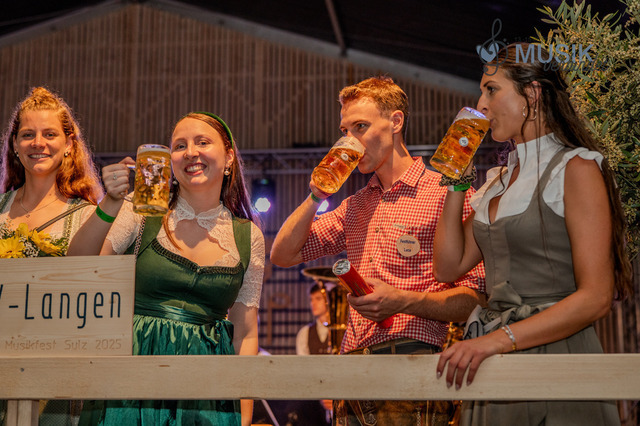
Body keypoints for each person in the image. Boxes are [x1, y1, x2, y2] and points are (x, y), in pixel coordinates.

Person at [433, 42, 633, 425]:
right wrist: (456, 182)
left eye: (492, 90)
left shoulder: (577, 168)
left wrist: (496, 340)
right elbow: (447, 267)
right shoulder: (496, 182)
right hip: (494, 363)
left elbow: (596, 298)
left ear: (533, 94)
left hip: (558, 357)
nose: (481, 104)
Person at [270, 76, 486, 425]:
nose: (349, 140)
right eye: (344, 130)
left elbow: (476, 299)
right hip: (351, 367)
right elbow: (282, 255)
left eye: (360, 127)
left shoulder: (446, 193)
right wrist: (316, 195)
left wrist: (404, 301)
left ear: (396, 122)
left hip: (411, 362)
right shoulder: (356, 204)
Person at [70, 112, 265, 426]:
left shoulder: (248, 236)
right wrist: (110, 202)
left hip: (207, 388)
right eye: (180, 145)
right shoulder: (140, 209)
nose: (190, 152)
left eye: (203, 142)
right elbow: (79, 265)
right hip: (131, 376)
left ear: (229, 157)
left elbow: (244, 333)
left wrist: (243, 416)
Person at [0, 86, 103, 426]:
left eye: (49, 134)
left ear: (69, 144)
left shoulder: (88, 217)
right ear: (15, 145)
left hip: (57, 377)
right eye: (27, 135)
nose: (38, 143)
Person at [296, 283, 331, 355]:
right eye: (311, 299)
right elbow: (302, 360)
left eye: (318, 299)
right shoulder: (305, 333)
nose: (313, 303)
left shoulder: (341, 331)